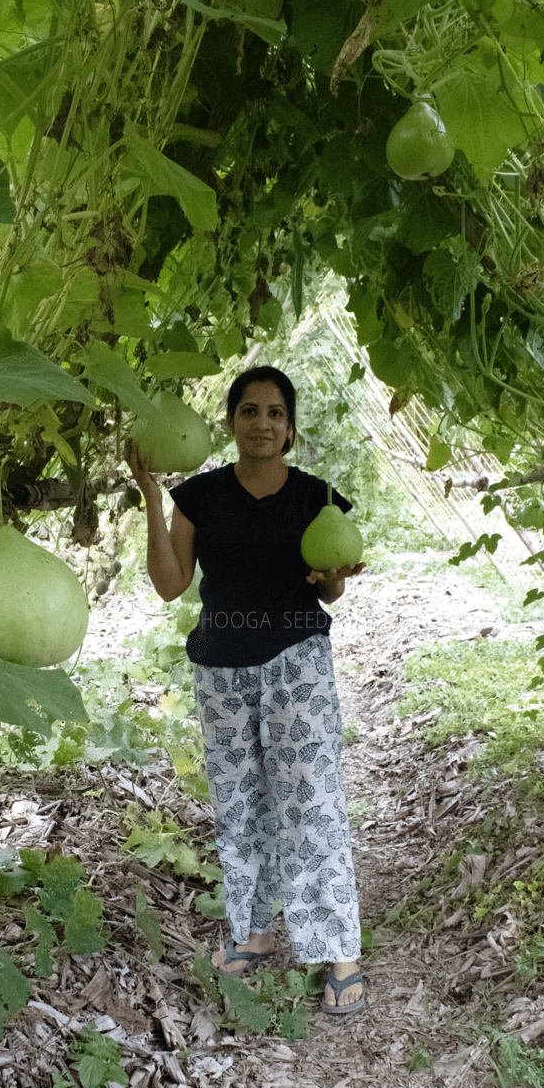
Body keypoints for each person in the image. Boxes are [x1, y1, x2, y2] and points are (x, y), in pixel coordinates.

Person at [125, 367, 367, 1015]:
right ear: (231, 421)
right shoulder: (198, 497)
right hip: (223, 668)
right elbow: (171, 584)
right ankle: (257, 931)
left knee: (312, 801)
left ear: (289, 428)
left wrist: (334, 579)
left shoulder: (317, 498)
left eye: (276, 413)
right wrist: (152, 499)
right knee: (240, 804)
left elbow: (328, 588)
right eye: (251, 411)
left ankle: (338, 949)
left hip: (297, 664)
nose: (263, 422)